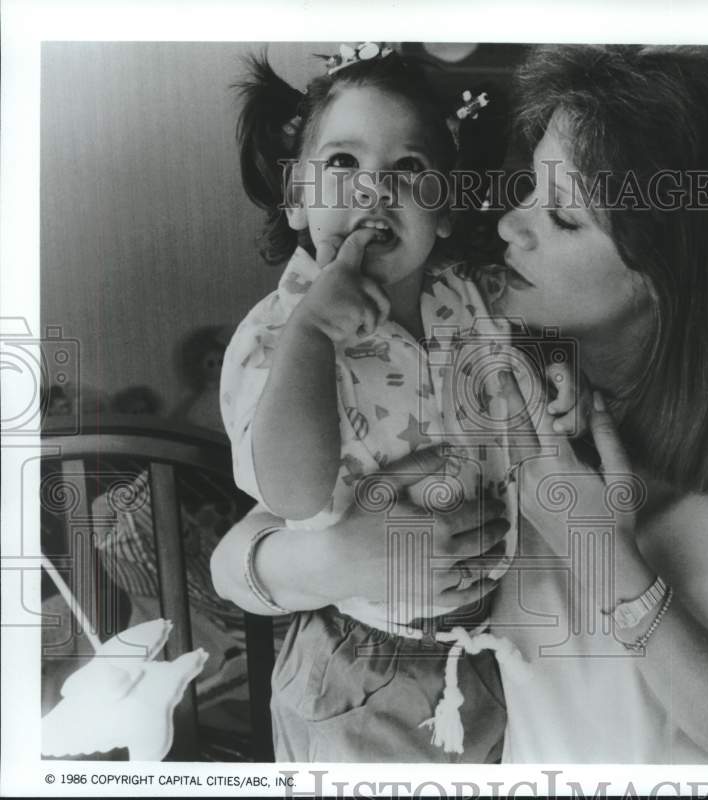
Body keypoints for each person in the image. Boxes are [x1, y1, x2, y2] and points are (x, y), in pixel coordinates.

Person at [213, 44, 708, 765]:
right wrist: (334, 559)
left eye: (563, 217)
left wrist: (605, 559)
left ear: (670, 267)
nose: (511, 225)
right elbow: (241, 552)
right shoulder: (496, 343)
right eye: (527, 188)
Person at [219, 45, 576, 762]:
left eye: (408, 171)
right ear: (296, 197)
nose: (373, 191)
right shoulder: (275, 335)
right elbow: (292, 492)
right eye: (343, 165)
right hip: (360, 668)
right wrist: (314, 333)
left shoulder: (463, 296)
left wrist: (557, 383)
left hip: (485, 646)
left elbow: (518, 373)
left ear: (444, 211)